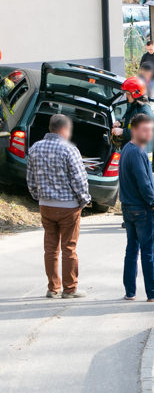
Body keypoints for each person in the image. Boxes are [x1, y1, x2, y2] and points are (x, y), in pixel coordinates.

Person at [26, 114, 91, 299]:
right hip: (68, 206)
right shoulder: (69, 149)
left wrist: (39, 197)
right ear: (64, 129)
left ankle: (53, 288)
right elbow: (79, 180)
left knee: (50, 248)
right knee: (69, 248)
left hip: (45, 205)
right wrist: (84, 200)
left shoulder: (35, 148)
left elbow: (30, 180)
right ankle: (70, 289)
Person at [119, 113, 154, 302]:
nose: (149, 133)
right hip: (142, 209)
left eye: (150, 130)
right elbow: (144, 183)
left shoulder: (126, 149)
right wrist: (153, 204)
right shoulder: (137, 152)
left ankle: (130, 292)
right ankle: (153, 292)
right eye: (145, 130)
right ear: (134, 130)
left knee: (131, 249)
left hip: (128, 207)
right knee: (148, 251)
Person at [112, 76, 154, 149]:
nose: (126, 96)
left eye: (128, 94)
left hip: (138, 150)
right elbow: (128, 121)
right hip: (130, 147)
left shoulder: (144, 111)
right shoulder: (133, 106)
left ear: (136, 93)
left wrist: (122, 132)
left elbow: (142, 133)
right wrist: (119, 123)